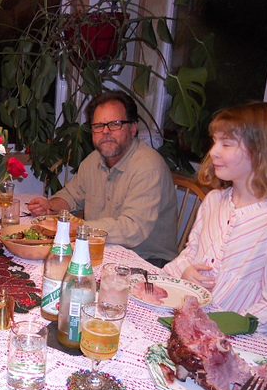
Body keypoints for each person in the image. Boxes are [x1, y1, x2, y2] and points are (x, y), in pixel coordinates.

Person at [27, 90, 177, 267]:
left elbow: (132, 229)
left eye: (115, 124)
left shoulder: (148, 166)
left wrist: (80, 229)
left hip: (147, 261)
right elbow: (71, 195)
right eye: (98, 126)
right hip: (102, 250)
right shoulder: (94, 161)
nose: (105, 131)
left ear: (133, 128)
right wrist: (50, 206)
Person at [163, 102, 267, 333]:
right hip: (189, 320)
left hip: (235, 338)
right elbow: (190, 253)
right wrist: (185, 271)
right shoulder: (213, 201)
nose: (213, 152)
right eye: (214, 142)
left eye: (227, 144)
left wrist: (225, 326)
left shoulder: (266, 222)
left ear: (261, 152)